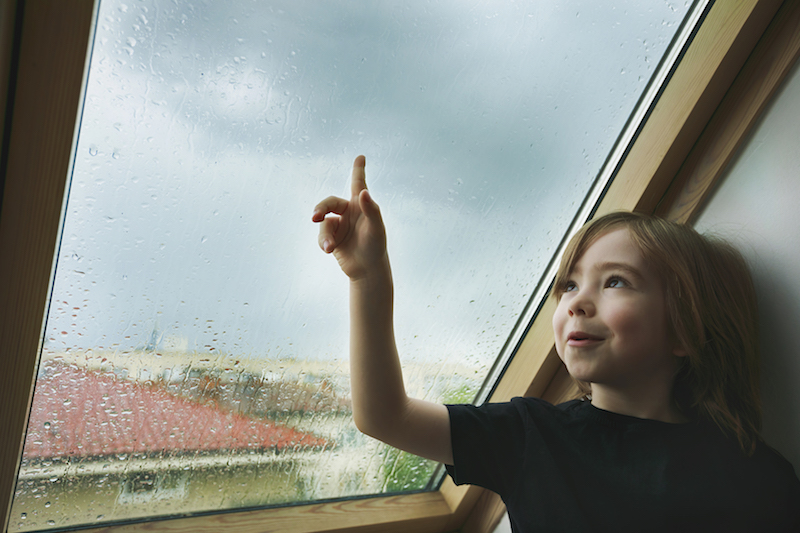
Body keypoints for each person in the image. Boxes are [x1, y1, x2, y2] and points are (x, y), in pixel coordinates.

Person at [312, 156, 800, 532]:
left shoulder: (759, 478)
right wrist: (368, 277)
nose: (577, 303)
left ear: (684, 330)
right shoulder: (529, 436)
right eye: (568, 285)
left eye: (616, 283)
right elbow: (383, 416)